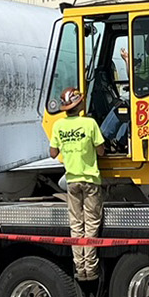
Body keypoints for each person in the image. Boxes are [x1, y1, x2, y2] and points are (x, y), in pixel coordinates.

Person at [48, 87, 104, 284]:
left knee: (76, 226)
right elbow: (102, 151)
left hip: (71, 181)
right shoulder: (90, 123)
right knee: (91, 225)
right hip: (90, 181)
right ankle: (91, 269)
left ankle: (80, 268)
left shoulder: (58, 126)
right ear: (79, 104)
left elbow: (53, 153)